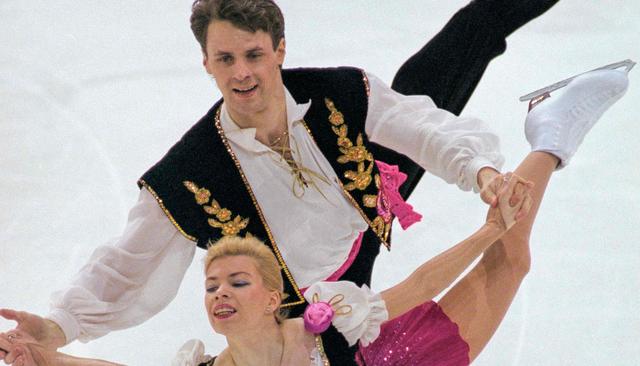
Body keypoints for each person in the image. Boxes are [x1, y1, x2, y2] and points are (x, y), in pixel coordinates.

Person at [0, 0, 561, 364]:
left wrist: (482, 172)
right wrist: (59, 327)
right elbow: (125, 265)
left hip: (366, 201)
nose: (241, 72)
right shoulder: (187, 174)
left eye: (253, 55)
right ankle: (554, 136)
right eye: (225, 58)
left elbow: (419, 126)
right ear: (206, 64)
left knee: (442, 69)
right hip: (308, 310)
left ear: (279, 51)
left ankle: (548, 115)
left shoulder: (340, 92)